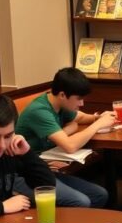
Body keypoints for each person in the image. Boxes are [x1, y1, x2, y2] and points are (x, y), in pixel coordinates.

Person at [15, 67, 116, 208]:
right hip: (24, 173)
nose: (82, 104)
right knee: (81, 201)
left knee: (100, 194)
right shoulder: (39, 110)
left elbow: (80, 117)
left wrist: (98, 117)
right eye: (79, 99)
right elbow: (70, 146)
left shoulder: (59, 104)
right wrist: (98, 124)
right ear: (62, 95)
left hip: (44, 166)